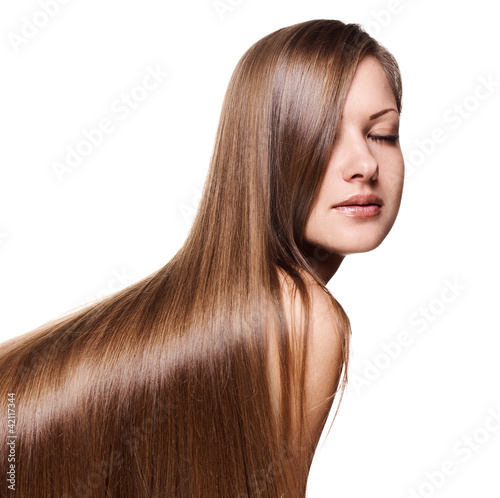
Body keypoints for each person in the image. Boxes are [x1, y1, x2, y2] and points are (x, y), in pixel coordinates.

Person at [0, 19, 403, 497]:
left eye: (382, 133)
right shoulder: (301, 315)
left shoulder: (229, 312)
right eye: (324, 134)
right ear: (267, 150)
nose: (365, 164)